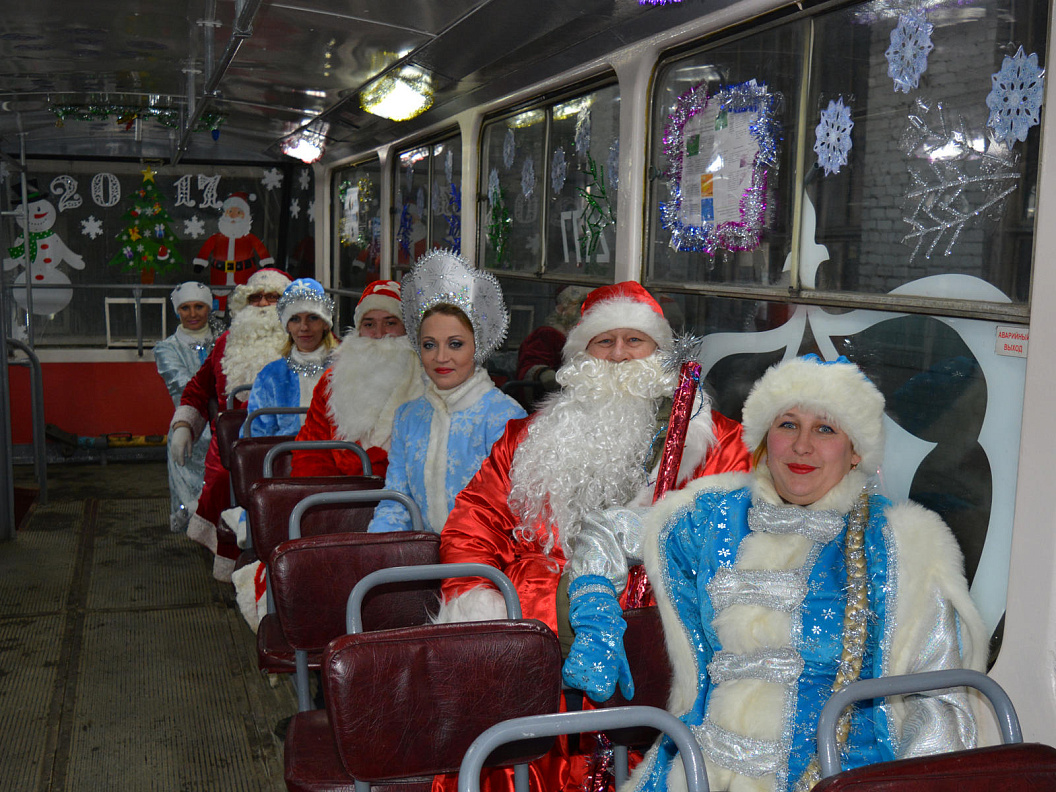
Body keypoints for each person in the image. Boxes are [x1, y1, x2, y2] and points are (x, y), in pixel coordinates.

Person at [564, 355, 987, 792]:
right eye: (787, 425)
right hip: (695, 769)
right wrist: (597, 616)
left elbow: (940, 702)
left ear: (856, 448)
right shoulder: (712, 514)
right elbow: (607, 531)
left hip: (839, 777)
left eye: (826, 429)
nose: (802, 446)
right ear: (766, 436)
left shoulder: (899, 546)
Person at [431, 281, 751, 792]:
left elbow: (732, 542)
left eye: (635, 341)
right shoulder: (527, 439)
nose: (619, 355)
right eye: (604, 342)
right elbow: (473, 520)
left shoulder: (717, 442)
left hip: (648, 645)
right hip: (531, 641)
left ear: (660, 352)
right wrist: (479, 601)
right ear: (580, 355)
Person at [366, 249, 526, 534]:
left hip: (485, 564)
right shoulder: (408, 416)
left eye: (455, 344)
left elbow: (513, 513)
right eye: (429, 344)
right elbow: (396, 501)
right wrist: (379, 552)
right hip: (419, 561)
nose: (441, 357)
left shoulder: (504, 417)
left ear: (477, 347)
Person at [169, 267, 291, 581]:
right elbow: (199, 388)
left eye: (273, 297)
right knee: (225, 481)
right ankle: (233, 572)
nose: (263, 304)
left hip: (291, 441)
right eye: (256, 297)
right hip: (232, 446)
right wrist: (183, 426)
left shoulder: (302, 340)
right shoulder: (226, 342)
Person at [292, 279, 423, 479]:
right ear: (359, 330)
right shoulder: (332, 382)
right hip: (341, 495)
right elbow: (311, 452)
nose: (379, 334)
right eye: (369, 324)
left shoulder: (427, 380)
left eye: (390, 323)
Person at [154, 281, 217, 532]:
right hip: (188, 432)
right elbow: (182, 385)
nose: (192, 314)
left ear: (209, 308)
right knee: (188, 504)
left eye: (199, 306)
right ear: (177, 311)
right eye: (185, 308)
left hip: (223, 434)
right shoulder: (167, 349)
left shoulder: (225, 341)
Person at [244, 278, 337, 438]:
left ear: (326, 323)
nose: (304, 327)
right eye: (295, 319)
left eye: (313, 318)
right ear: (287, 326)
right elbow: (257, 434)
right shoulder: (271, 375)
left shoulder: (344, 368)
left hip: (338, 457)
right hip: (285, 457)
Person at [193, 192, 275, 310]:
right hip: (220, 275)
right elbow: (205, 249)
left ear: (245, 216)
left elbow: (260, 249)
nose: (233, 216)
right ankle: (219, 317)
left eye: (238, 213)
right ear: (225, 214)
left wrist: (267, 262)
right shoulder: (216, 238)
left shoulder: (249, 238)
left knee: (243, 302)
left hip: (243, 275)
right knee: (219, 300)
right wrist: (200, 263)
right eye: (230, 212)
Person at [515, 284, 591, 389]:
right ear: (562, 309)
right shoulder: (547, 334)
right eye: (580, 306)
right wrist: (546, 375)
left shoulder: (593, 339)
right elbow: (530, 363)